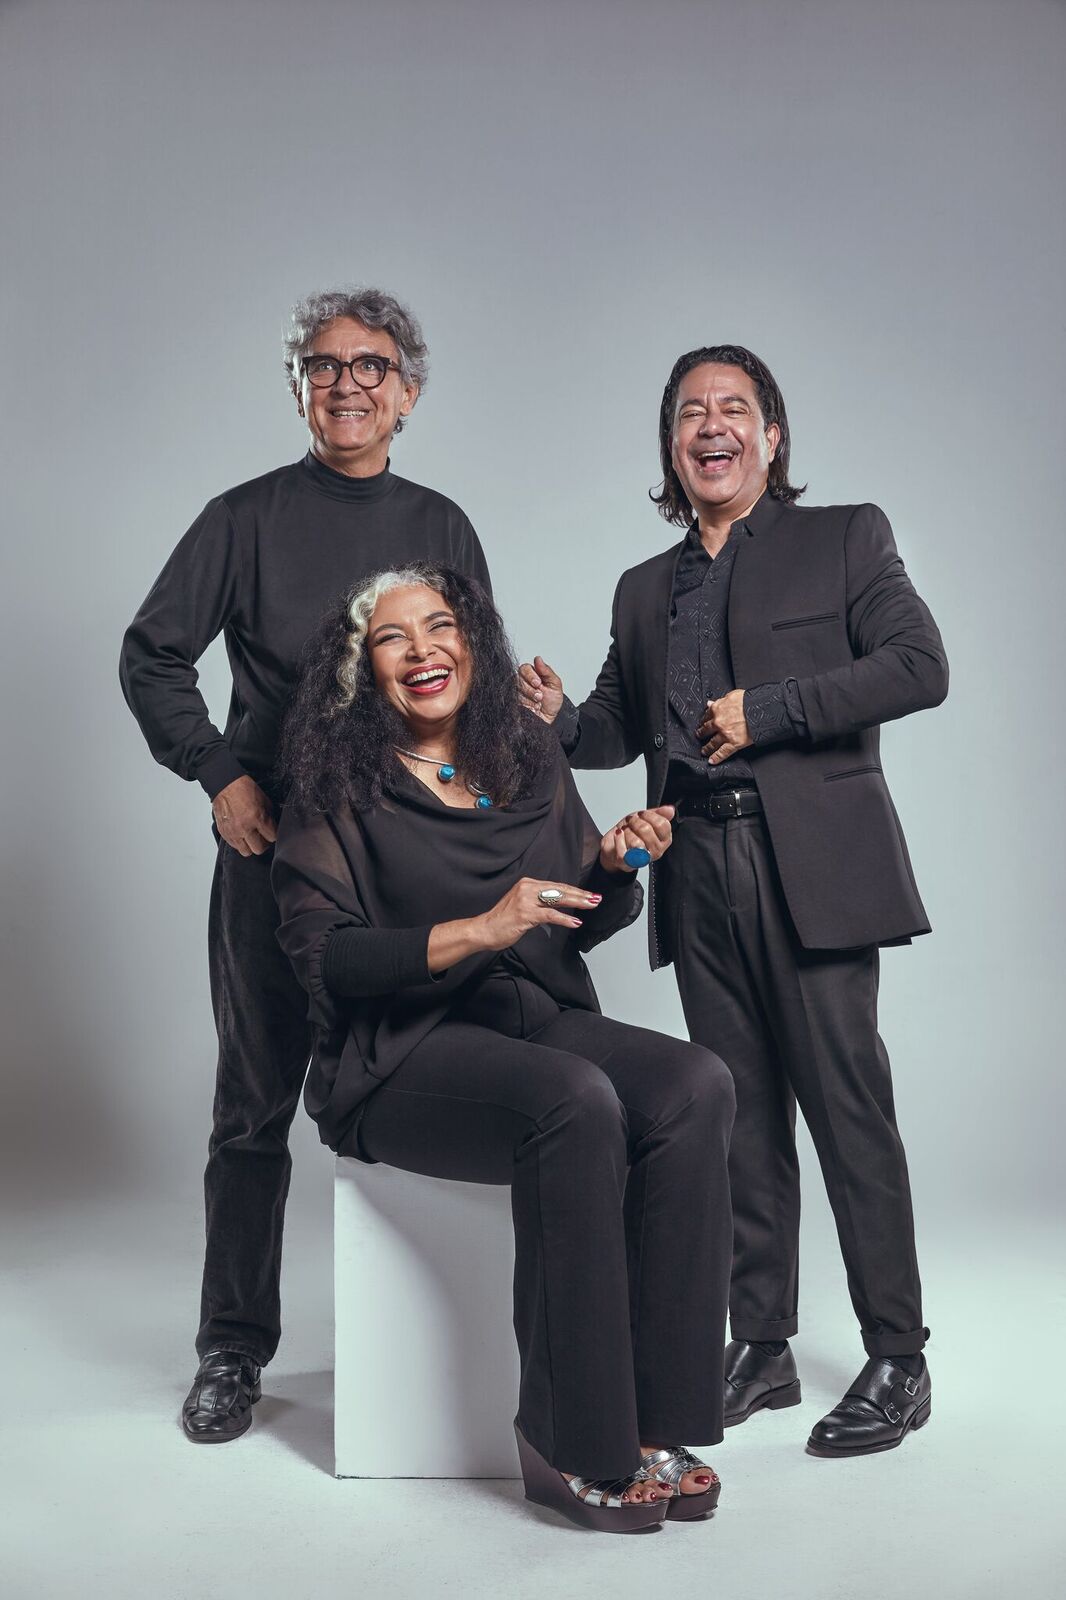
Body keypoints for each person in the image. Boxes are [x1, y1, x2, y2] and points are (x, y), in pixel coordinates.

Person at [519, 344, 948, 1458]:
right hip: (694, 865)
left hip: (809, 864)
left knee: (847, 1107)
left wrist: (774, 708)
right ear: (672, 445)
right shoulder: (641, 588)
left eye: (733, 408)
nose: (711, 425)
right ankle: (762, 1343)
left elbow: (919, 665)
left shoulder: (844, 537)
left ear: (772, 435)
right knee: (738, 1114)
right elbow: (618, 730)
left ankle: (899, 1355)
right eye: (689, 413)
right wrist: (560, 720)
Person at [271, 564, 736, 1531]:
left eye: (440, 626)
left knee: (696, 1084)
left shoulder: (523, 754)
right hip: (396, 1055)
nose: (423, 650)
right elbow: (327, 960)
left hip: (531, 1013)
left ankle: (658, 1419)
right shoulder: (334, 785)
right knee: (575, 1100)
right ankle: (574, 1441)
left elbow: (569, 916)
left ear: (471, 644)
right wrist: (481, 929)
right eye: (392, 637)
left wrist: (613, 865)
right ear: (362, 667)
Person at [120, 288, 490, 1442]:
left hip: (409, 863)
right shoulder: (242, 520)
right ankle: (232, 1349)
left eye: (370, 365)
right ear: (298, 389)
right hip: (276, 854)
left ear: (407, 393)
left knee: (421, 1076)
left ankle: (443, 1349)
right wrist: (219, 776)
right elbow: (152, 655)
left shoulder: (441, 524)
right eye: (323, 365)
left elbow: (469, 683)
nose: (346, 384)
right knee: (252, 1105)